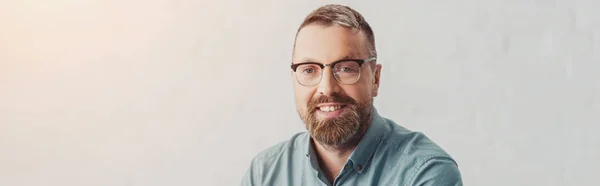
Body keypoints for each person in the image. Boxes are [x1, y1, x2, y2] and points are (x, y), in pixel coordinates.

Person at [241, 4, 463, 186]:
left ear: (375, 79)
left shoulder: (425, 173)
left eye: (346, 68)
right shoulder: (264, 174)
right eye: (309, 70)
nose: (327, 88)